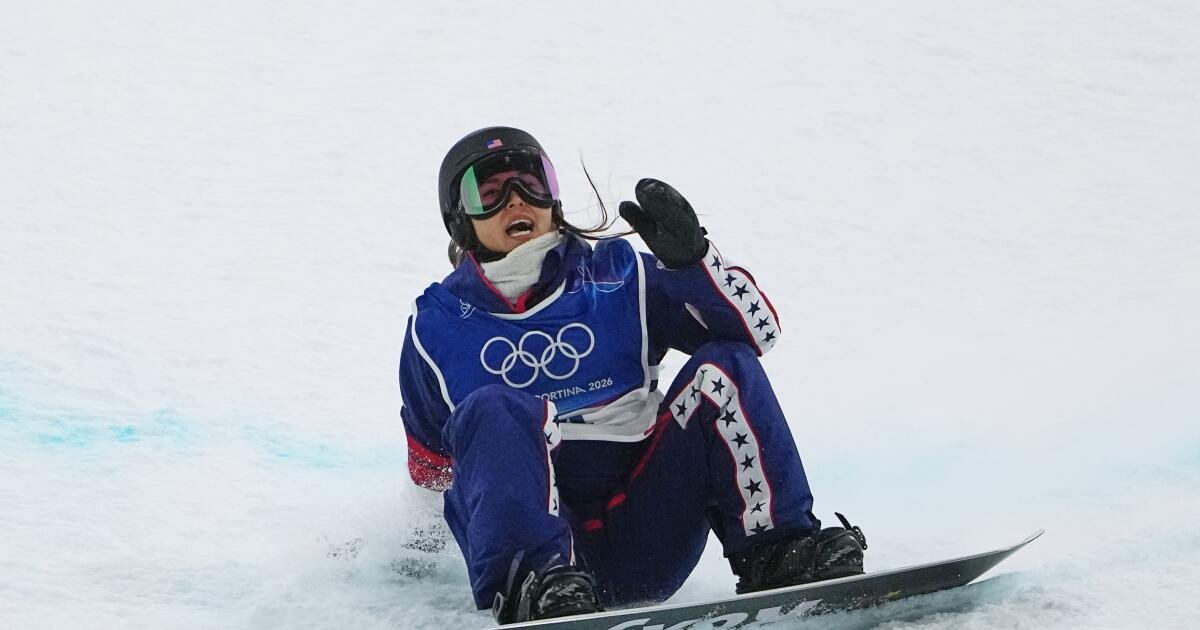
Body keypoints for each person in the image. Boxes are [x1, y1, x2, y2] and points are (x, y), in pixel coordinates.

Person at [399, 126, 867, 624]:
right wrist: (410, 556)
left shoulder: (622, 276)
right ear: (460, 219)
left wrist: (694, 264)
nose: (517, 200)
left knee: (725, 365)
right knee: (494, 406)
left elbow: (757, 335)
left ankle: (779, 553)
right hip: (547, 556)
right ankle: (533, 587)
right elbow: (431, 471)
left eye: (533, 183)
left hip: (649, 533)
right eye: (489, 193)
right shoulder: (436, 327)